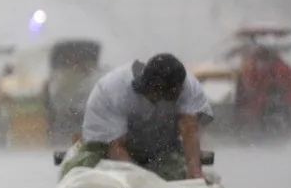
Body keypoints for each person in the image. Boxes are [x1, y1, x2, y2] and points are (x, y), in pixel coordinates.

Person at [60, 53, 213, 181]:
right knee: (84, 177)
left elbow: (189, 131)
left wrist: (194, 168)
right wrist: (141, 180)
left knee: (180, 174)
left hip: (161, 151)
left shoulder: (189, 90)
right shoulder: (112, 91)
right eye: (154, 94)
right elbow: (115, 147)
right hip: (108, 151)